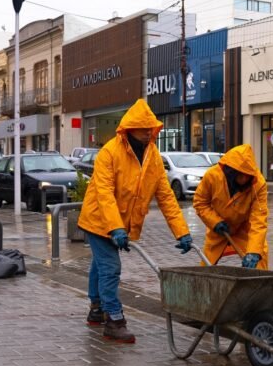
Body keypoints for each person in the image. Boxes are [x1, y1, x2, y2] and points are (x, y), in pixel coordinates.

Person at [78, 99, 193, 343]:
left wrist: (181, 232)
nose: (148, 133)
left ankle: (96, 307)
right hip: (98, 220)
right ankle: (114, 320)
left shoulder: (153, 156)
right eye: (143, 128)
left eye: (150, 128)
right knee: (110, 267)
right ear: (129, 129)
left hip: (120, 224)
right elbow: (104, 193)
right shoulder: (109, 152)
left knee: (100, 266)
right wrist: (116, 227)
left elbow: (166, 196)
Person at [193, 144, 269, 269]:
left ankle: (260, 285)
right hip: (219, 230)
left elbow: (259, 220)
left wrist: (254, 251)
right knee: (207, 266)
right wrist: (215, 222)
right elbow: (200, 202)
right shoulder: (213, 176)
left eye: (247, 175)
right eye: (241, 174)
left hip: (244, 229)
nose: (244, 179)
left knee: (260, 258)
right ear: (231, 171)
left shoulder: (258, 184)